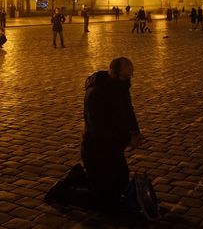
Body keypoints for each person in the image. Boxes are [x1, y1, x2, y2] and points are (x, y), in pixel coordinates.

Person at [45, 57, 142, 210]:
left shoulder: (121, 85)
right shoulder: (96, 94)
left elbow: (128, 109)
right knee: (105, 202)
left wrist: (135, 131)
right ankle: (62, 194)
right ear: (113, 73)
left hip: (114, 148)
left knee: (121, 184)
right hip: (96, 151)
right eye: (126, 76)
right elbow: (99, 130)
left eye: (130, 76)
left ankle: (80, 177)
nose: (129, 80)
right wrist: (127, 138)